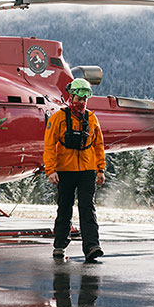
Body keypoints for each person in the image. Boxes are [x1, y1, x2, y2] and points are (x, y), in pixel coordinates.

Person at [44, 78, 106, 263]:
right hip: (65, 171)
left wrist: (100, 169)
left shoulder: (92, 119)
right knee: (64, 208)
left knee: (87, 208)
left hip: (87, 171)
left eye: (84, 100)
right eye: (78, 99)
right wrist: (51, 170)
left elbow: (99, 145)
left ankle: (92, 247)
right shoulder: (58, 118)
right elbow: (49, 145)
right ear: (70, 97)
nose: (81, 103)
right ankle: (59, 245)